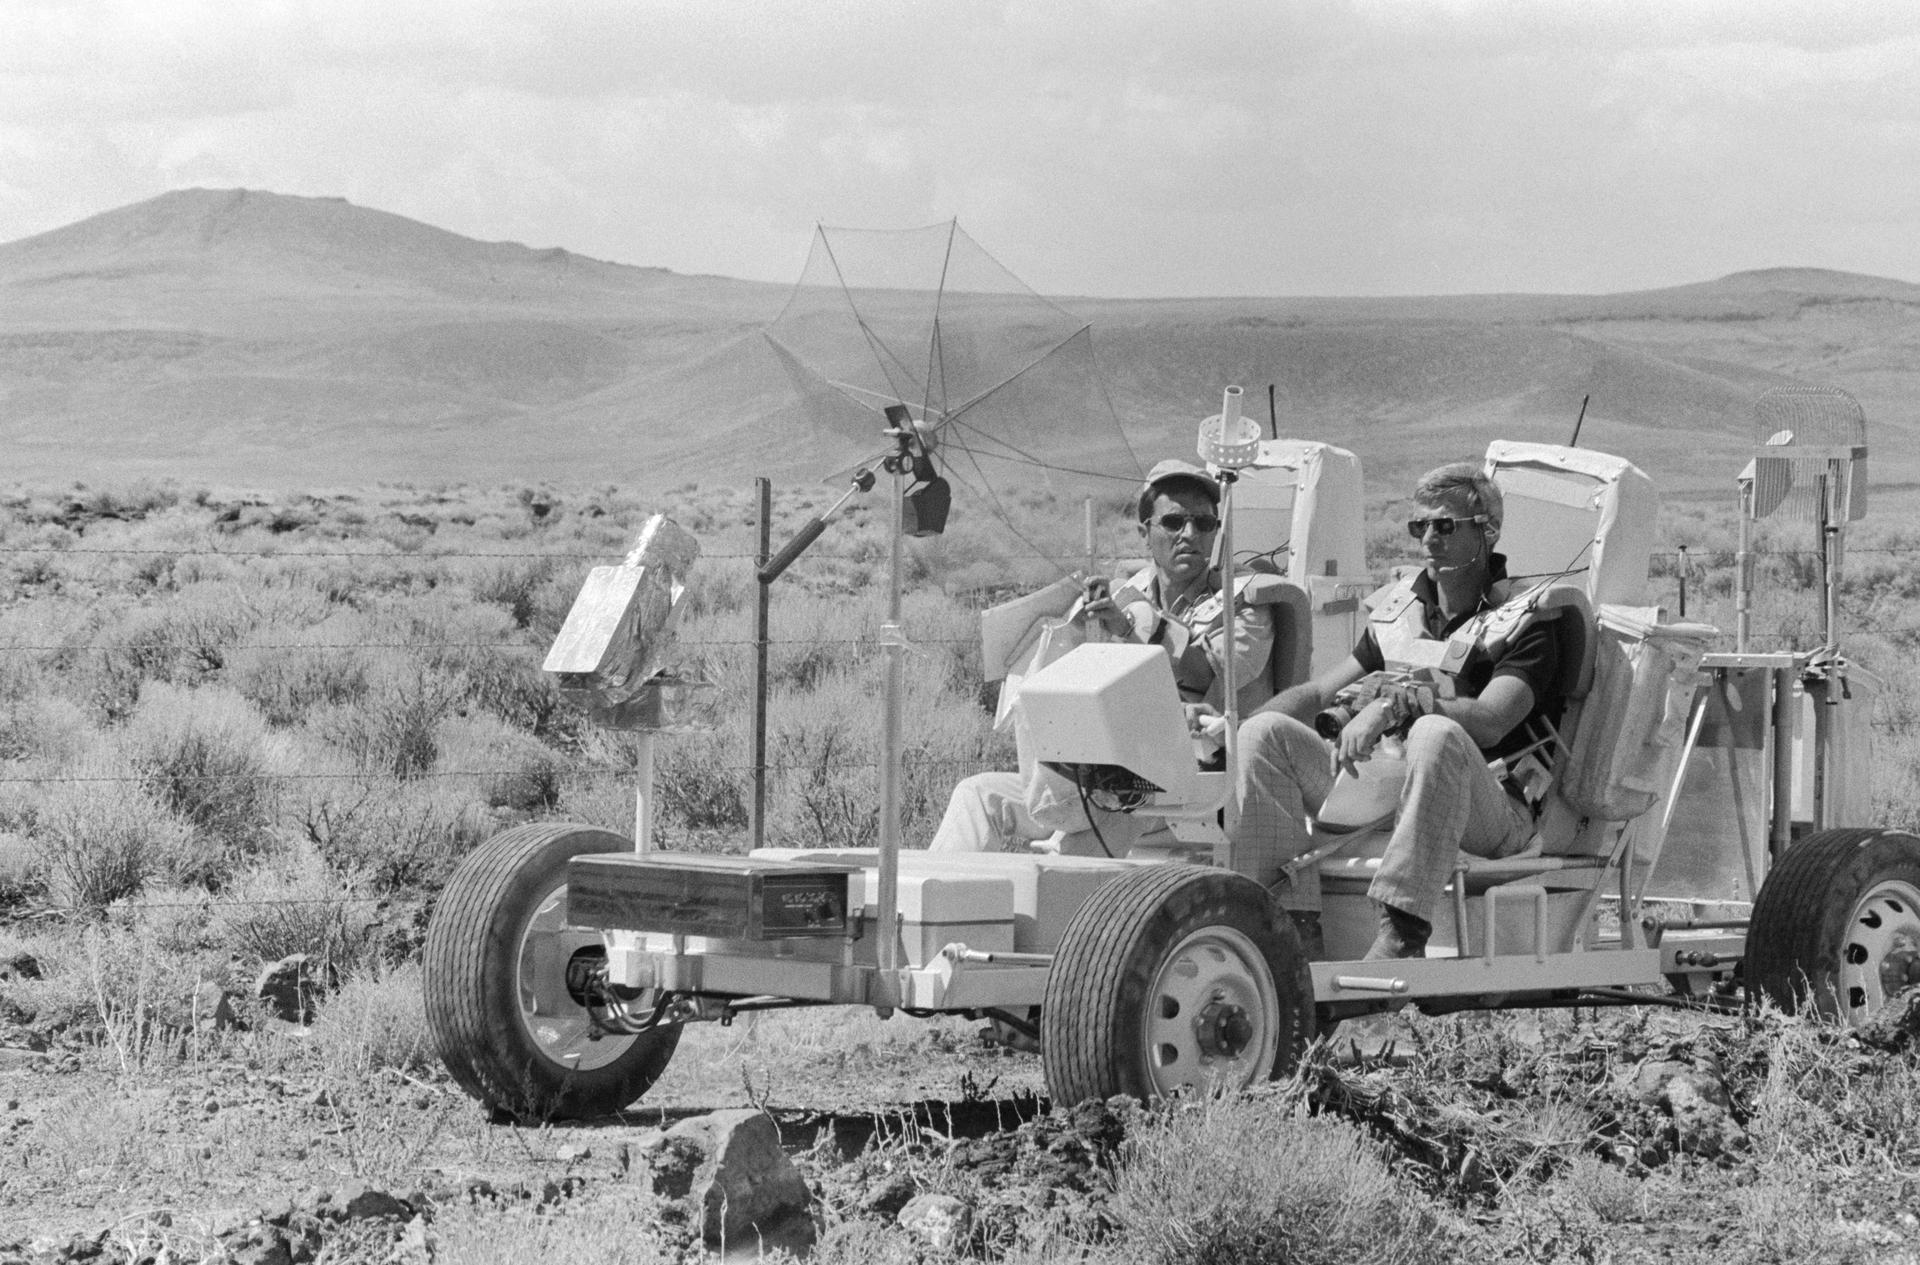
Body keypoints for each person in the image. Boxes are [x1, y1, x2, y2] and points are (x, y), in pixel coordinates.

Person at [1225, 461, 1566, 959]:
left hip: (1493, 807)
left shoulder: (1526, 620)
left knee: (1434, 733)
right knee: (1264, 734)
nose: (1428, 539)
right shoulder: (1402, 613)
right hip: (1395, 787)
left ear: (1488, 531)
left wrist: (1398, 706)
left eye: (1445, 525)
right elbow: (1318, 694)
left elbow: (1493, 721)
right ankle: (1285, 926)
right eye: (1419, 526)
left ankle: (1402, 931)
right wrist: (1233, 728)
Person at [929, 458, 1277, 856]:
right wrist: (1079, 628)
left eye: (1203, 523)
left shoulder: (1243, 602)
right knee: (978, 794)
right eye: (1173, 522)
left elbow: (1212, 674)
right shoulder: (1126, 594)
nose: (1189, 534)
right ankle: (935, 892)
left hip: (1194, 785)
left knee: (1113, 808)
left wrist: (1132, 627)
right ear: (1145, 533)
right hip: (1110, 771)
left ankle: (1063, 890)